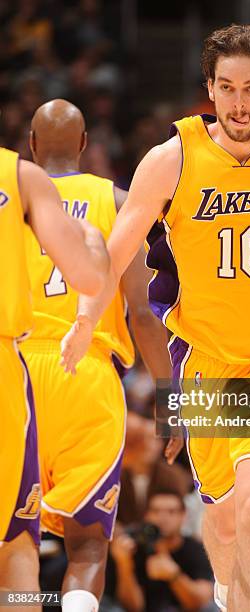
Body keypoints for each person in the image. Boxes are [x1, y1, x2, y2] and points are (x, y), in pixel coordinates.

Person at [60, 25, 250, 611]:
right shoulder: (170, 160)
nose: (237, 102)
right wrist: (85, 316)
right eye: (226, 87)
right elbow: (118, 248)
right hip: (204, 360)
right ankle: (230, 598)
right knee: (226, 522)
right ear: (210, 86)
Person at [20, 98, 171, 612]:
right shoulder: (118, 201)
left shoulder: (7, 200)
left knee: (12, 543)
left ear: (31, 145)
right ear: (85, 145)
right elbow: (143, 316)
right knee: (86, 546)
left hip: (13, 374)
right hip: (87, 374)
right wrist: (169, 403)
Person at [0, 144, 109, 609]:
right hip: (56, 363)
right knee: (17, 542)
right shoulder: (18, 176)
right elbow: (88, 278)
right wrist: (90, 241)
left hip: (31, 358)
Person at [110, 490, 213, 612]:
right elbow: (132, 607)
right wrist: (124, 565)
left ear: (183, 515)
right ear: (146, 515)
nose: (163, 518)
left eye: (171, 511)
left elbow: (200, 602)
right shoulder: (130, 548)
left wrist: (174, 576)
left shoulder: (197, 549)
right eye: (156, 511)